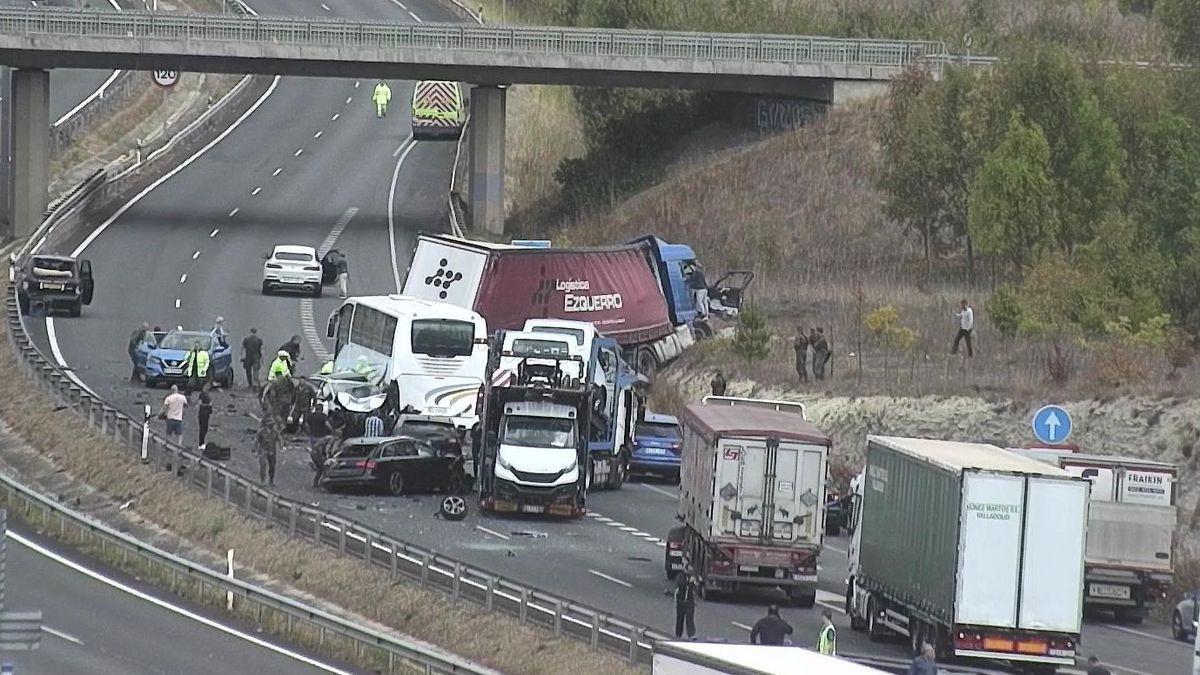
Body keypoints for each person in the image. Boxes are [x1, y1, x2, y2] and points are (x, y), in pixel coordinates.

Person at [668, 564, 700, 640]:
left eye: (691, 571)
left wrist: (695, 582)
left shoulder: (693, 578)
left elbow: (697, 587)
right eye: (689, 571)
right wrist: (689, 582)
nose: (690, 573)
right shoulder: (680, 576)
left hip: (690, 601)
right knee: (680, 618)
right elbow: (680, 585)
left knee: (689, 618)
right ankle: (678, 634)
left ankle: (691, 634)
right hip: (681, 601)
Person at [255, 417, 282, 486]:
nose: (272, 425)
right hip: (263, 450)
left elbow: (279, 439)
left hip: (272, 451)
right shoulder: (261, 431)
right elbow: (257, 441)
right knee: (263, 465)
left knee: (272, 466)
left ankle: (271, 480)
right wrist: (256, 450)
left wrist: (281, 446)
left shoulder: (275, 432)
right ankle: (262, 480)